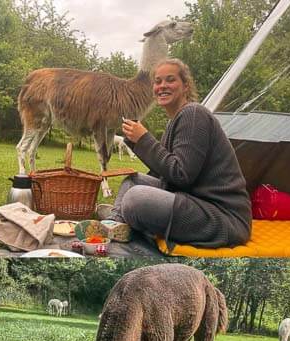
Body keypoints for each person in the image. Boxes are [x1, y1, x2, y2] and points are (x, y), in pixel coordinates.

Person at [101, 58, 251, 248]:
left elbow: (181, 174)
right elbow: (163, 172)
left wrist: (144, 140)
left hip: (222, 217)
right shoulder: (176, 120)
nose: (162, 86)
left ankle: (123, 216)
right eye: (158, 81)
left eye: (170, 80)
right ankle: (116, 223)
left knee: (135, 198)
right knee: (133, 180)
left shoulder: (194, 114)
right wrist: (137, 142)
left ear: (185, 86)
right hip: (194, 201)